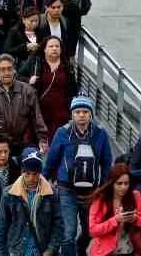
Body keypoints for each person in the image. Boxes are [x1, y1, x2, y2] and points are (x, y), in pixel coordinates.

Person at [45, 96, 115, 256]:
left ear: (91, 114)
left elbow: (106, 162)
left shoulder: (100, 134)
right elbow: (52, 160)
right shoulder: (62, 133)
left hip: (92, 192)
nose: (81, 115)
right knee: (68, 233)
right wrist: (42, 178)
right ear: (72, 114)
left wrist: (103, 188)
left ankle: (81, 250)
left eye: (85, 112)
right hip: (67, 190)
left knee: (90, 231)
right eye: (77, 112)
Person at [0, 53, 50, 157]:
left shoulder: (27, 91)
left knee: (18, 172)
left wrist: (42, 139)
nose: (6, 72)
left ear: (14, 70)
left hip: (20, 144)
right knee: (0, 173)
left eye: (9, 69)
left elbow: (37, 118)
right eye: (2, 69)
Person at [0, 148, 64, 256]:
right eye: (27, 173)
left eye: (35, 174)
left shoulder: (51, 194)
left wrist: (51, 250)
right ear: (22, 171)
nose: (31, 178)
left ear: (40, 172)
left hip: (41, 251)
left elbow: (59, 225)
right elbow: (1, 227)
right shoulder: (8, 194)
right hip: (18, 251)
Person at [88, 164, 141, 256]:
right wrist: (115, 220)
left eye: (126, 183)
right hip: (105, 249)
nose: (123, 187)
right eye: (119, 183)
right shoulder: (101, 200)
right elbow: (93, 230)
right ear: (112, 183)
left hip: (131, 247)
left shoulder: (135, 196)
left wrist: (135, 219)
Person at [27, 37, 79, 133]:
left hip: (62, 112)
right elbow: (18, 76)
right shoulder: (35, 63)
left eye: (57, 46)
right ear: (44, 49)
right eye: (51, 46)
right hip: (40, 112)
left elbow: (73, 89)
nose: (54, 48)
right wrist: (29, 80)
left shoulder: (67, 66)